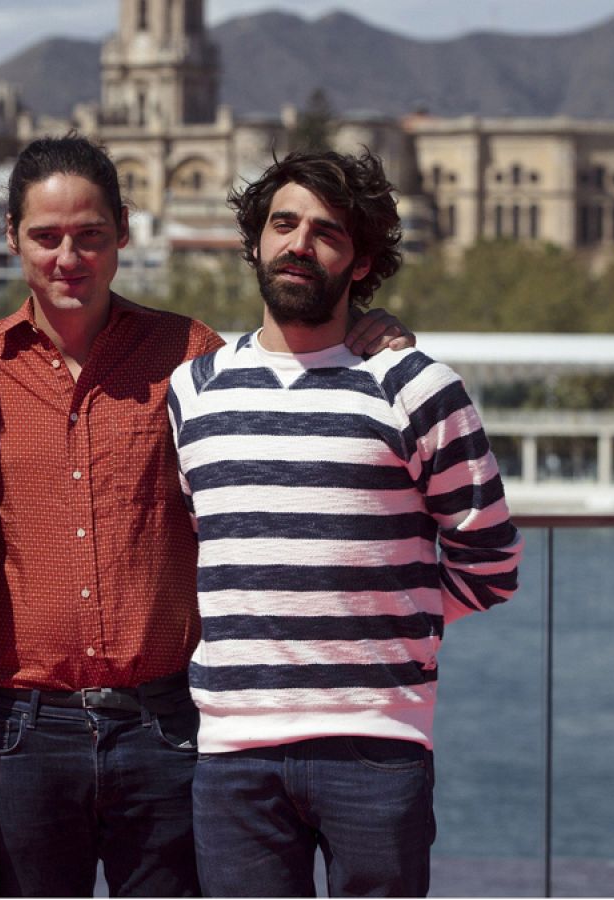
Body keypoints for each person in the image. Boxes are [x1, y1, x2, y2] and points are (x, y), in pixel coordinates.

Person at [0, 134, 415, 897]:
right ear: (12, 237)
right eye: (46, 238)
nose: (67, 258)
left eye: (89, 236)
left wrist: (370, 332)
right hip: (21, 731)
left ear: (122, 231)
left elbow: (289, 382)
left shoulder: (191, 355)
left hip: (169, 725)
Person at [165, 148, 523, 897]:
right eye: (283, 223)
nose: (299, 243)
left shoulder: (417, 386)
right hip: (234, 752)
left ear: (361, 262)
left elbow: (491, 564)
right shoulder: (192, 393)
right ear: (256, 241)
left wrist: (389, 621)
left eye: (327, 232)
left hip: (378, 747)